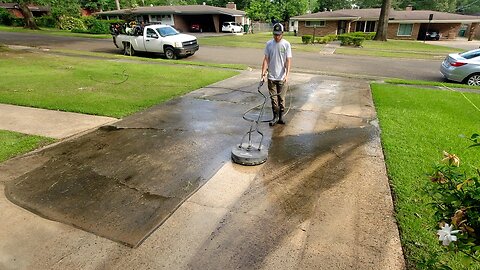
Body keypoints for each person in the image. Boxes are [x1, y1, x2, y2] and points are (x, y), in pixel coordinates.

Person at [261, 23, 292, 126]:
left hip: (282, 77)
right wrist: (263, 74)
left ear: (282, 34)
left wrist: (287, 75)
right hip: (271, 77)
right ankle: (275, 117)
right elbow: (266, 60)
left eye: (278, 34)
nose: (276, 36)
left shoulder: (286, 44)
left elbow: (288, 61)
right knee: (274, 99)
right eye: (275, 34)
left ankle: (281, 117)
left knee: (281, 99)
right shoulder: (269, 44)